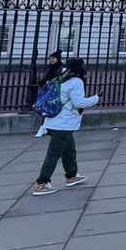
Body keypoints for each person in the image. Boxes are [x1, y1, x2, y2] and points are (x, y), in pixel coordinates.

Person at [32, 58, 99, 195]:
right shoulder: (76, 81)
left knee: (69, 151)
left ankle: (71, 176)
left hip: (54, 121)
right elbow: (78, 102)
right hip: (63, 123)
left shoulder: (59, 79)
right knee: (53, 154)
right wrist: (95, 98)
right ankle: (41, 183)